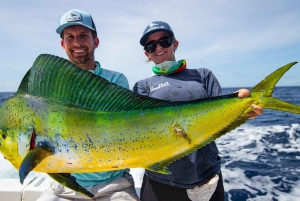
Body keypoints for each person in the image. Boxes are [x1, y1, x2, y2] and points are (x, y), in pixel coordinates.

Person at [133, 21, 263, 201]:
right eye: (151, 45)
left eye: (164, 41)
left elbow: (222, 118)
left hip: (206, 175)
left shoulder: (203, 75)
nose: (158, 47)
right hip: (161, 180)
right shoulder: (142, 86)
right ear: (147, 52)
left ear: (175, 43)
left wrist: (240, 108)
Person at [36, 9, 140, 201]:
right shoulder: (50, 87)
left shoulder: (116, 80)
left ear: (96, 41)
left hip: (114, 183)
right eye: (70, 37)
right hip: (64, 185)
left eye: (84, 35)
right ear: (62, 44)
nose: (77, 43)